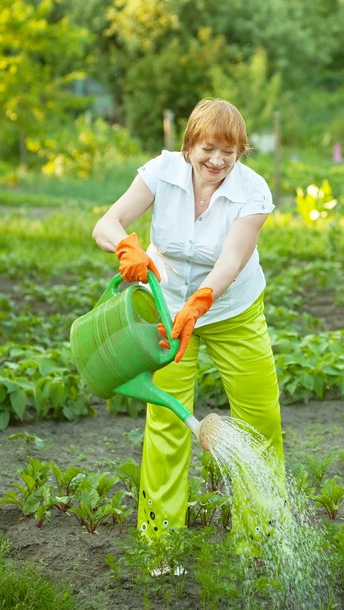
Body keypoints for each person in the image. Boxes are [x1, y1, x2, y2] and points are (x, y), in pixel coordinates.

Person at [92, 98, 284, 543]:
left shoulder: (252, 191)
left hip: (232, 311)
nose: (218, 160)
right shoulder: (161, 173)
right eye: (208, 149)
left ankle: (259, 538)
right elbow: (108, 222)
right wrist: (125, 248)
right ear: (189, 146)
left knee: (260, 417)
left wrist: (202, 301)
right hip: (167, 313)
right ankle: (161, 542)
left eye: (229, 153)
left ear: (240, 153)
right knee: (167, 421)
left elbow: (233, 258)